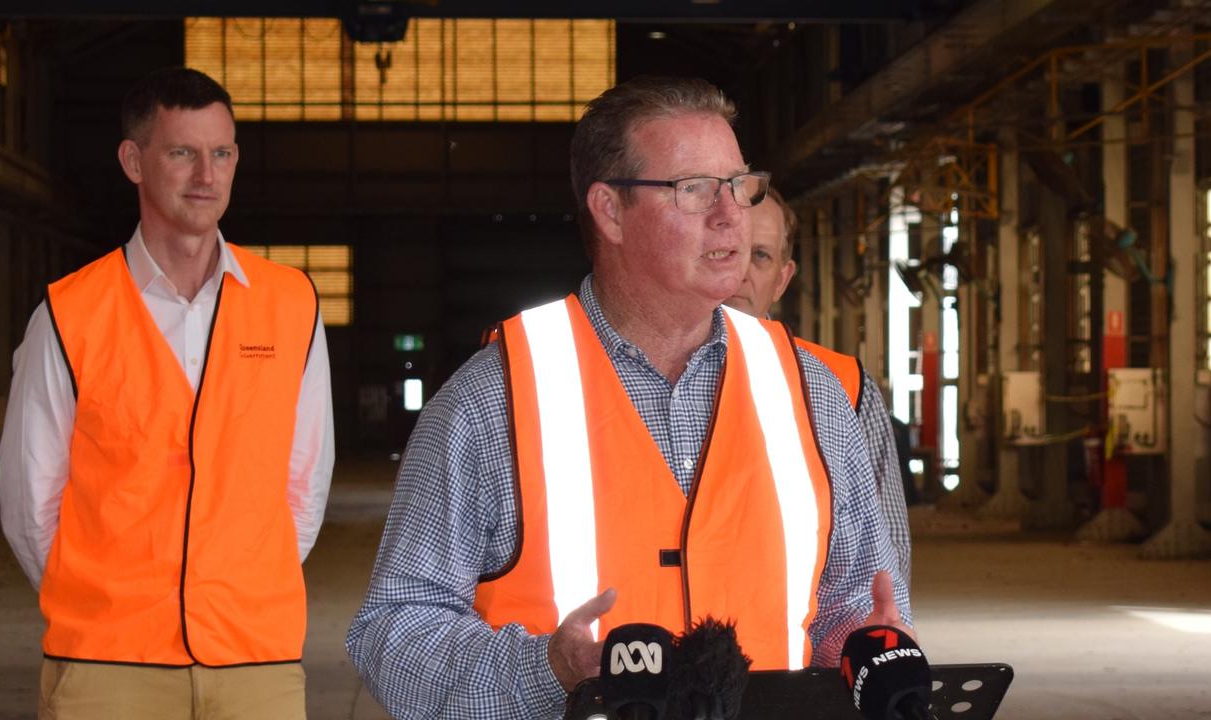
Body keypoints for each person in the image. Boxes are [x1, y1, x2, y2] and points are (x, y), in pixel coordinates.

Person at [346, 76, 909, 719]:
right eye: (694, 189)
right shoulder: (490, 402)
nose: (731, 214)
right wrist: (548, 670)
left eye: (738, 185)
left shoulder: (811, 393)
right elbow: (394, 632)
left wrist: (870, 642)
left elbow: (855, 601)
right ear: (610, 211)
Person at [0, 67, 334, 720]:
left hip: (254, 666)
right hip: (108, 672)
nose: (206, 176)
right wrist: (108, 609)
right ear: (134, 160)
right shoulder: (68, 315)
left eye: (222, 153)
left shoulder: (292, 305)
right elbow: (28, 504)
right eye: (182, 153)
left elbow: (305, 482)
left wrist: (228, 594)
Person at [725, 187, 913, 584]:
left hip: (808, 642)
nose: (740, 271)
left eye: (760, 256)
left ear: (782, 278)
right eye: (727, 251)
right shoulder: (643, 373)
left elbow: (884, 556)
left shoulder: (845, 385)